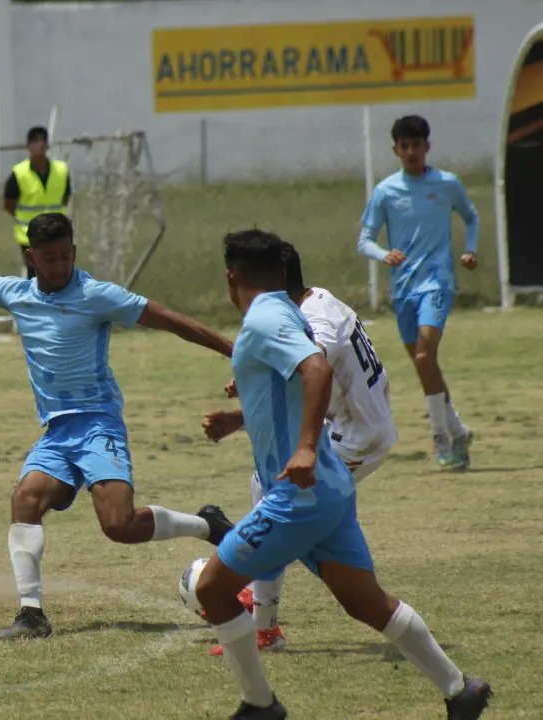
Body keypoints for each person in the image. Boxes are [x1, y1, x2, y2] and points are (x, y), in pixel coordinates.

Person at [0, 212, 236, 639]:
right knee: (25, 500)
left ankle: (207, 524)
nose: (60, 266)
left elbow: (174, 321)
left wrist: (236, 351)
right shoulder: (16, 293)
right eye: (49, 258)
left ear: (75, 253)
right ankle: (31, 615)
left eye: (66, 256)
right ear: (31, 257)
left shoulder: (97, 295)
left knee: (119, 526)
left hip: (99, 424)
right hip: (57, 432)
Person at [197, 229, 490, 720]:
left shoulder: (265, 318)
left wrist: (307, 447)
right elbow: (290, 379)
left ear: (231, 278)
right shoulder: (293, 308)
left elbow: (316, 369)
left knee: (210, 587)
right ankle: (460, 689)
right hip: (329, 490)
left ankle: (259, 703)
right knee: (366, 602)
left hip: (300, 494)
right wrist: (239, 417)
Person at [203, 240, 398, 656]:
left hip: (357, 436)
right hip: (357, 427)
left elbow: (314, 371)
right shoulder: (320, 299)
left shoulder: (311, 319)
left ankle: (262, 621)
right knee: (285, 504)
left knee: (278, 496)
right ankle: (259, 597)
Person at [357, 115, 478, 470]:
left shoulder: (446, 184)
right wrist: (384, 255)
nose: (411, 152)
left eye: (416, 145)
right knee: (425, 366)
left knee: (425, 356)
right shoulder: (386, 191)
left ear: (428, 146)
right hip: (403, 289)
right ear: (396, 149)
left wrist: (470, 249)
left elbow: (470, 217)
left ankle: (440, 436)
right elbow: (364, 240)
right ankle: (458, 431)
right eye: (404, 146)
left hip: (438, 282)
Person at [4, 126, 71, 278]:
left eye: (43, 140)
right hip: (30, 234)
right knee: (37, 275)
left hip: (58, 233)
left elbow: (66, 198)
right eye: (35, 140)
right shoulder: (19, 173)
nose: (40, 144)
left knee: (60, 274)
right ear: (28, 146)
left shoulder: (61, 170)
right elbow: (9, 204)